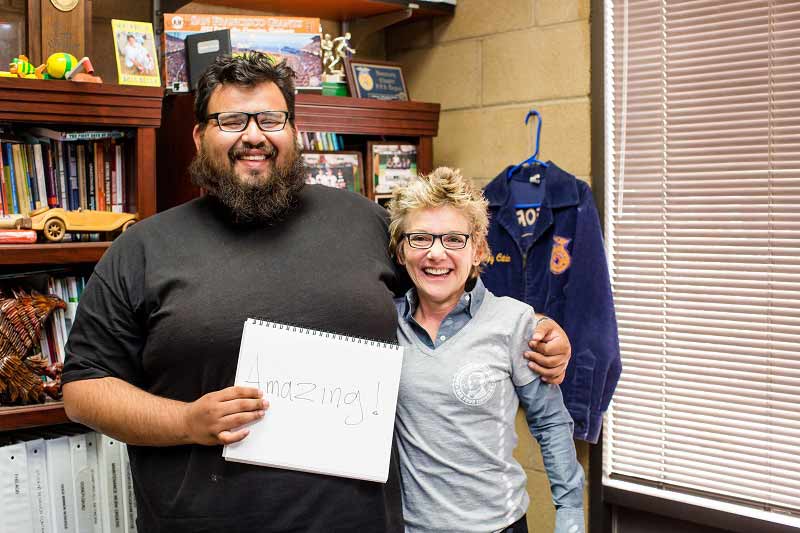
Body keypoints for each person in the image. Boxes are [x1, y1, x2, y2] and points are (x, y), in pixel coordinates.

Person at [61, 53, 572, 532]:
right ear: (199, 136)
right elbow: (83, 392)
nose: (253, 136)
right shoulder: (143, 249)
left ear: (294, 130)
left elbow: (452, 295)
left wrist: (542, 335)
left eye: (271, 119)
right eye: (232, 121)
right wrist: (188, 421)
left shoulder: (366, 224)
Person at [388, 167, 585, 533]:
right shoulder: (384, 322)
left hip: (498, 526)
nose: (435, 253)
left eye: (453, 240)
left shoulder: (515, 323)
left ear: (478, 250)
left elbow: (551, 422)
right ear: (401, 251)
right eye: (419, 239)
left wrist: (570, 513)